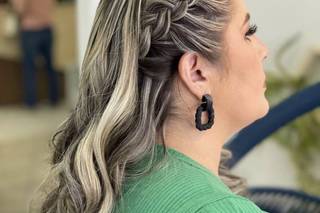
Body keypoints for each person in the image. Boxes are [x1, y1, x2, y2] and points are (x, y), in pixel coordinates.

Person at [37, 0, 269, 212]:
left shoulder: (113, 181)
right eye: (248, 33)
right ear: (196, 73)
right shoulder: (217, 208)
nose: (263, 51)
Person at [10, 0, 59, 107]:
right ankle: (54, 98)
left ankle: (30, 102)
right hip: (47, 27)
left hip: (30, 29)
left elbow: (19, 9)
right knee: (50, 66)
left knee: (29, 68)